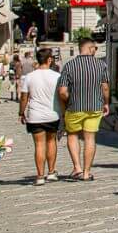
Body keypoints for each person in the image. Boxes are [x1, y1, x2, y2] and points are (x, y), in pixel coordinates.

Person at [57, 39, 110, 181]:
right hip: (95, 107)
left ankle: (77, 168)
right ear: (91, 48)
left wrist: (69, 99)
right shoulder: (101, 65)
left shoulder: (69, 65)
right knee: (90, 138)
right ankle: (87, 173)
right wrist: (106, 103)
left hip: (74, 107)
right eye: (95, 48)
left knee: (73, 135)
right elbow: (105, 87)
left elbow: (62, 91)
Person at [18, 49, 63, 185]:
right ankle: (51, 172)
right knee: (51, 142)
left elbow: (24, 97)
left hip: (35, 115)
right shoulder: (57, 76)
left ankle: (39, 176)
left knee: (38, 145)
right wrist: (64, 111)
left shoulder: (29, 77)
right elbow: (61, 95)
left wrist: (21, 112)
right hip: (52, 114)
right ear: (49, 60)